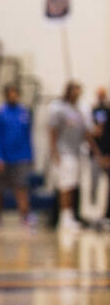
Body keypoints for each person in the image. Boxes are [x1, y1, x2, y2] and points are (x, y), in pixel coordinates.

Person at [0, 83, 34, 228]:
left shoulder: (24, 113)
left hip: (21, 157)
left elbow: (28, 136)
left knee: (22, 187)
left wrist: (30, 155)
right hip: (3, 158)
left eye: (15, 93)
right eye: (10, 93)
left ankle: (25, 216)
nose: (13, 96)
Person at [47, 81, 90, 232]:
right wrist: (54, 152)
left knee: (72, 186)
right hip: (63, 153)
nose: (77, 94)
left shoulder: (78, 111)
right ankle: (64, 217)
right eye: (75, 91)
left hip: (76, 153)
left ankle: (70, 216)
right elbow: (52, 131)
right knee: (64, 186)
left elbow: (85, 133)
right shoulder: (60, 110)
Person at [91, 88, 110, 229]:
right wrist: (98, 153)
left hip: (107, 154)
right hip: (96, 155)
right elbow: (93, 132)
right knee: (94, 185)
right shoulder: (92, 111)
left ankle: (106, 215)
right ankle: (93, 215)